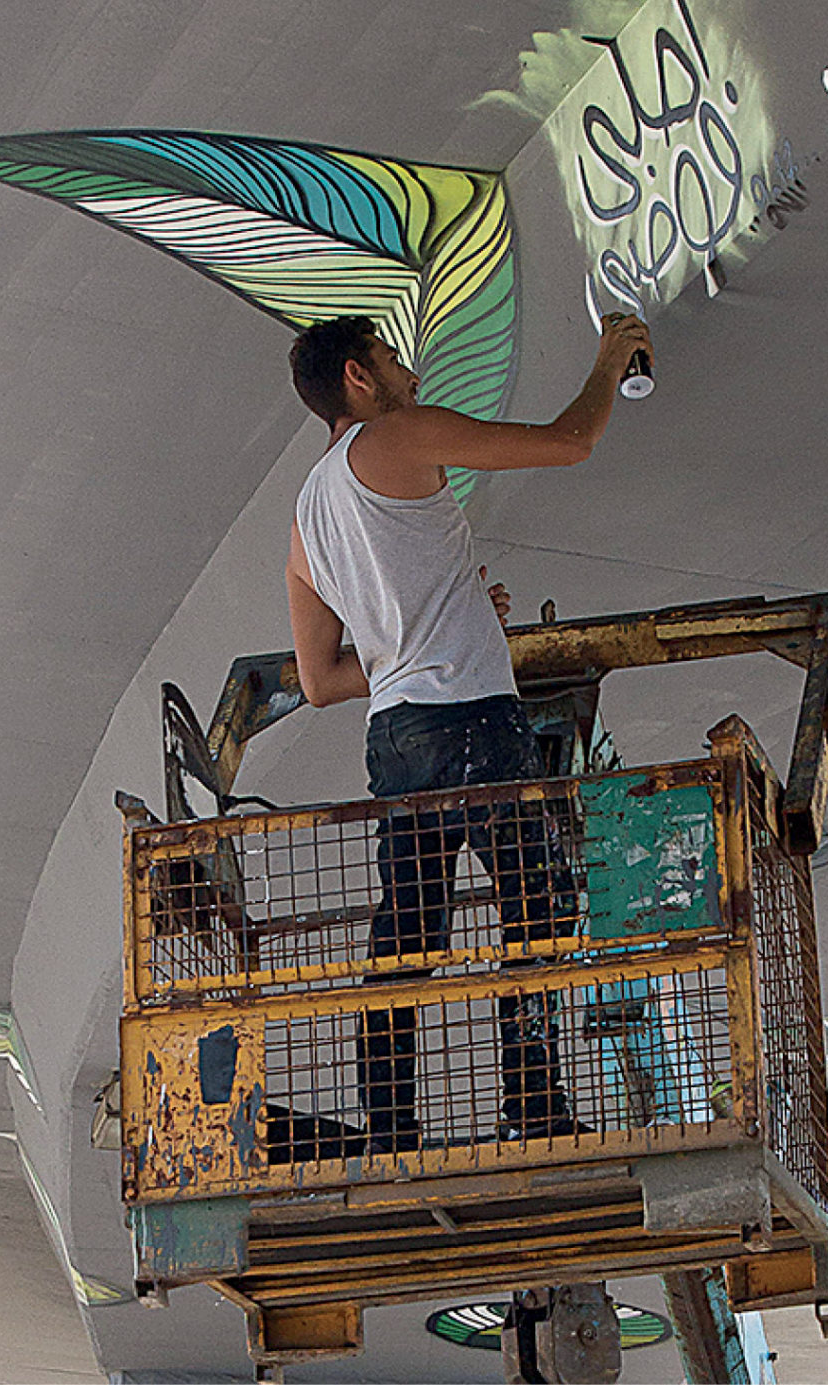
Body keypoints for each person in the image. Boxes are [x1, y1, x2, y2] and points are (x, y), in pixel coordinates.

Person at [285, 311, 652, 1150]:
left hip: (397, 739)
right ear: (356, 377)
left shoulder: (308, 514)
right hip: (476, 723)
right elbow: (569, 441)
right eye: (392, 359)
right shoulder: (400, 436)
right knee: (541, 902)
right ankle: (531, 1101)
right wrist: (606, 361)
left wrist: (444, 626)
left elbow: (319, 681)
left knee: (409, 930)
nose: (411, 376)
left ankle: (389, 1124)